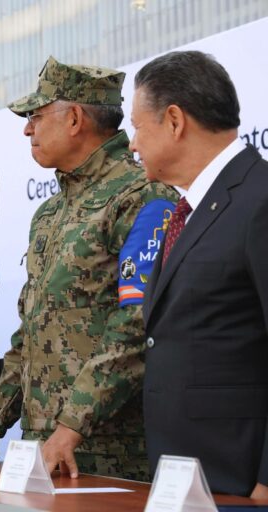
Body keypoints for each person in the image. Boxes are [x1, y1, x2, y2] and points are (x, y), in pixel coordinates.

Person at [0, 56, 178, 481]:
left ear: (75, 118)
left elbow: (136, 324)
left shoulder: (142, 197)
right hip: (44, 445)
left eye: (36, 117)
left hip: (110, 449)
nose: (27, 129)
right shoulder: (50, 212)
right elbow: (32, 329)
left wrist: (72, 424)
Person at [131, 51, 268, 499]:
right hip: (183, 477)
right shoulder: (185, 211)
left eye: (137, 127)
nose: (132, 144)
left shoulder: (259, 199)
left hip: (239, 480)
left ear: (174, 121)